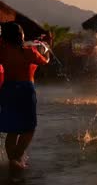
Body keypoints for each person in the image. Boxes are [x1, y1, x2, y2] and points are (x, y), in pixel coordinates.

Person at [0, 22, 50, 169]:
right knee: (29, 128)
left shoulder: (3, 51)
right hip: (25, 91)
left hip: (8, 90)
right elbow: (45, 61)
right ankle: (17, 156)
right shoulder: (28, 52)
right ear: (21, 35)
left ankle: (12, 161)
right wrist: (47, 49)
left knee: (12, 130)